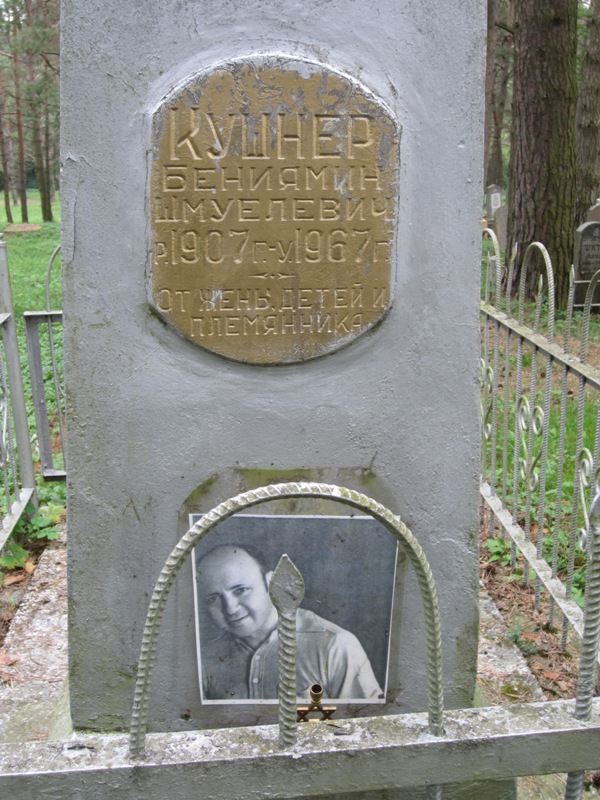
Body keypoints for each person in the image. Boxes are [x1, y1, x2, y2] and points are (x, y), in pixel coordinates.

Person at [196, 543, 384, 701]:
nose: (230, 609)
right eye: (214, 599)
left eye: (241, 590)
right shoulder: (205, 658)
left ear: (271, 583)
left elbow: (364, 728)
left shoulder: (336, 645)